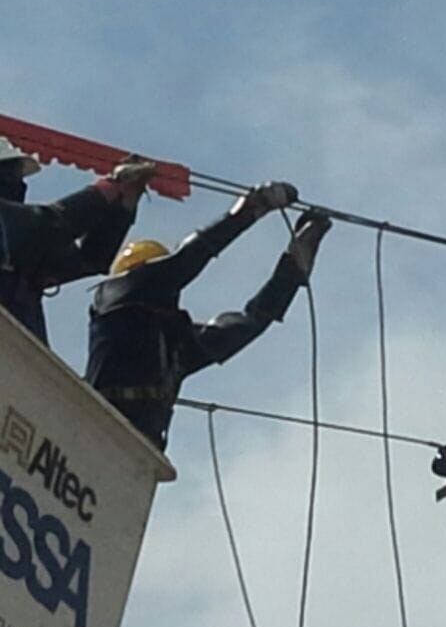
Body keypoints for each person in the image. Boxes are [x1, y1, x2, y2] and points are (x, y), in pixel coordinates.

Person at [85, 182, 330, 450]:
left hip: (139, 447)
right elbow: (186, 261)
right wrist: (248, 211)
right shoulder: (114, 299)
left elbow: (251, 321)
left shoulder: (176, 345)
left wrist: (293, 268)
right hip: (100, 428)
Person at [0, 136, 155, 344]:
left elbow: (89, 258)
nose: (20, 183)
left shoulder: (17, 252)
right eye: (13, 174)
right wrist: (112, 185)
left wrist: (125, 204)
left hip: (13, 347)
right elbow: (56, 221)